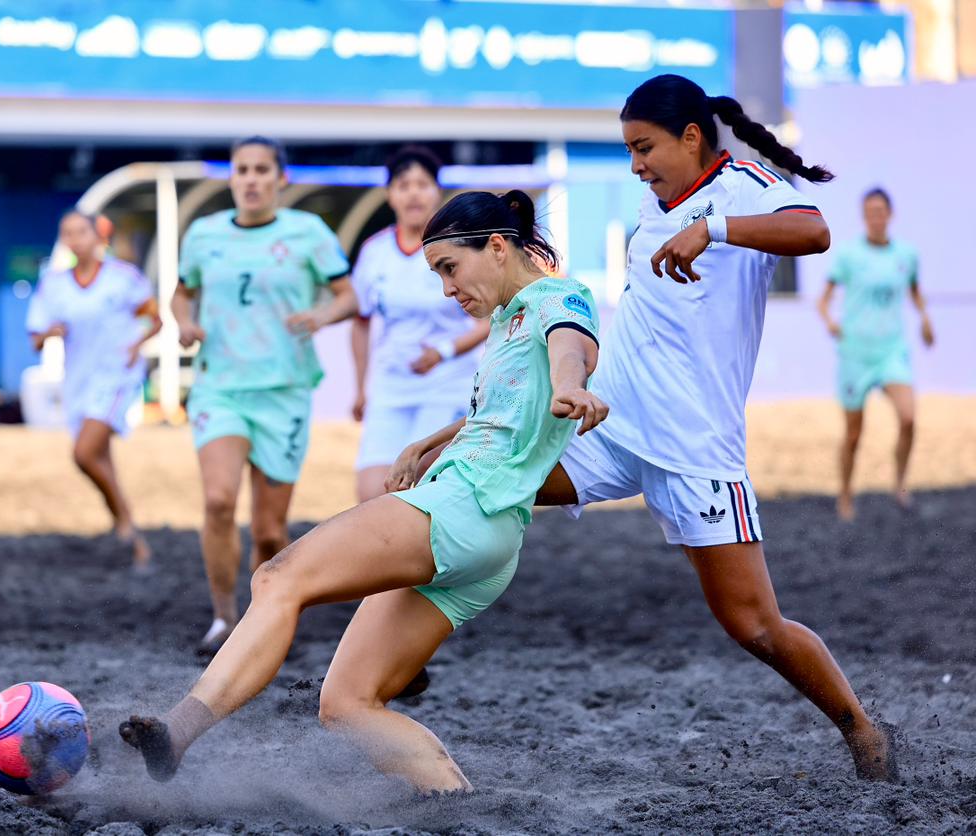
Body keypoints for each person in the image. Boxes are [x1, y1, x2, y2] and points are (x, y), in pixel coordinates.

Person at [425, 74, 890, 780]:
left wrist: (714, 229)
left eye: (644, 147)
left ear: (692, 137)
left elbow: (815, 231)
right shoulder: (651, 205)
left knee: (754, 627)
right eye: (630, 150)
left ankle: (863, 731)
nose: (635, 164)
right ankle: (396, 657)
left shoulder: (742, 187)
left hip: (692, 444)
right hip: (607, 419)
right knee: (477, 483)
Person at [119, 190, 607, 793]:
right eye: (437, 275)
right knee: (347, 704)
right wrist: (424, 443)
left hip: (463, 509)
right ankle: (453, 803)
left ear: (499, 248)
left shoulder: (557, 298)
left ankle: (179, 730)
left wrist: (571, 384)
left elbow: (570, 345)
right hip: (489, 536)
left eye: (450, 269)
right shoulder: (510, 316)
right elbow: (503, 411)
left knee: (278, 577)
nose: (446, 290)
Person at [172, 136, 357, 654]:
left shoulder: (309, 234)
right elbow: (183, 291)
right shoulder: (204, 235)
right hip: (220, 386)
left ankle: (263, 621)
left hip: (284, 390)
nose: (250, 179)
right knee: (217, 500)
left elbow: (348, 295)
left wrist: (322, 314)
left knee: (271, 531)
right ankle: (223, 618)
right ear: (231, 178)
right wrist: (185, 322)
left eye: (260, 170)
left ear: (280, 179)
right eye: (241, 170)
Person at [351, 146, 490, 503]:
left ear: (437, 192)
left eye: (422, 184)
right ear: (389, 194)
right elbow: (361, 321)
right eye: (403, 184)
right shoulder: (374, 251)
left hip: (447, 386)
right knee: (371, 496)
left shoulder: (461, 248)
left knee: (426, 494)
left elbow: (489, 321)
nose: (413, 192)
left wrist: (443, 353)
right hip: (391, 386)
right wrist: (361, 388)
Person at [27, 210, 160, 567]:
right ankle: (130, 538)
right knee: (98, 458)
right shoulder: (53, 284)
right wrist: (48, 334)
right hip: (78, 380)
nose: (74, 239)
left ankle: (126, 521)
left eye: (81, 232)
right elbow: (35, 337)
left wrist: (137, 344)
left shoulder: (123, 277)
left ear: (97, 236)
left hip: (117, 374)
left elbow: (155, 317)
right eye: (67, 233)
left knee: (84, 453)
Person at [818, 188, 934, 521]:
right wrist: (830, 322)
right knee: (854, 434)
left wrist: (925, 319)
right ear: (863, 216)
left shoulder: (906, 255)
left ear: (890, 214)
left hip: (891, 351)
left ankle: (899, 485)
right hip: (855, 352)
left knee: (909, 417)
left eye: (880, 210)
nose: (875, 216)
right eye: (869, 211)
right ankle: (845, 494)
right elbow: (823, 299)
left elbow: (915, 290)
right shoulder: (848, 255)